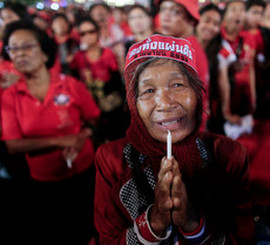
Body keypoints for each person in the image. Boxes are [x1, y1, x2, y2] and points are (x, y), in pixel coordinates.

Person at [94, 34, 255, 244]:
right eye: (148, 90)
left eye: (178, 85)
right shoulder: (111, 159)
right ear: (134, 104)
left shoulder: (228, 154)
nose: (165, 103)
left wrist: (193, 224)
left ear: (198, 94)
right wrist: (155, 221)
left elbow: (243, 239)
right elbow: (107, 240)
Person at [1, 20, 100, 244]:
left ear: (45, 53)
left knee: (90, 226)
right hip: (44, 181)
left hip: (84, 171)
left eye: (26, 46)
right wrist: (60, 141)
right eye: (13, 48)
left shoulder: (70, 85)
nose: (19, 54)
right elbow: (12, 145)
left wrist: (79, 138)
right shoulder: (10, 96)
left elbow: (93, 119)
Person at [70, 17, 128, 143]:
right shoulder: (78, 57)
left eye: (91, 31)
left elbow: (116, 81)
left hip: (110, 106)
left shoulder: (108, 54)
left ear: (97, 32)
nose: (88, 36)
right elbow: (75, 82)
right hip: (89, 108)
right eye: (83, 33)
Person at [156, 0, 209, 130]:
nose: (166, 16)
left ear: (191, 20)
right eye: (163, 9)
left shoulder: (186, 52)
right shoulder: (181, 46)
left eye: (175, 11)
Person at [196, 3, 223, 134]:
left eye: (216, 23)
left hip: (210, 114)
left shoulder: (218, 50)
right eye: (207, 20)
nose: (211, 27)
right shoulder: (184, 47)